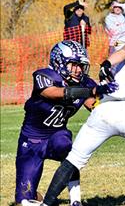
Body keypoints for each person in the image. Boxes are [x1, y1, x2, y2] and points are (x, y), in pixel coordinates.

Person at [35, 29, 125, 206]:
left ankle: (47, 203)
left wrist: (106, 64)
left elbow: (124, 50)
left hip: (105, 109)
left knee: (73, 160)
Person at [15, 40, 116, 206]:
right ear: (59, 61)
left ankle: (75, 200)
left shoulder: (84, 83)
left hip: (56, 136)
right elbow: (53, 93)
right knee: (23, 201)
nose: (78, 70)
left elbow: (94, 105)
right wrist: (90, 91)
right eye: (73, 64)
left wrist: (111, 98)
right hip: (31, 142)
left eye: (80, 65)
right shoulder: (44, 75)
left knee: (66, 144)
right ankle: (37, 198)